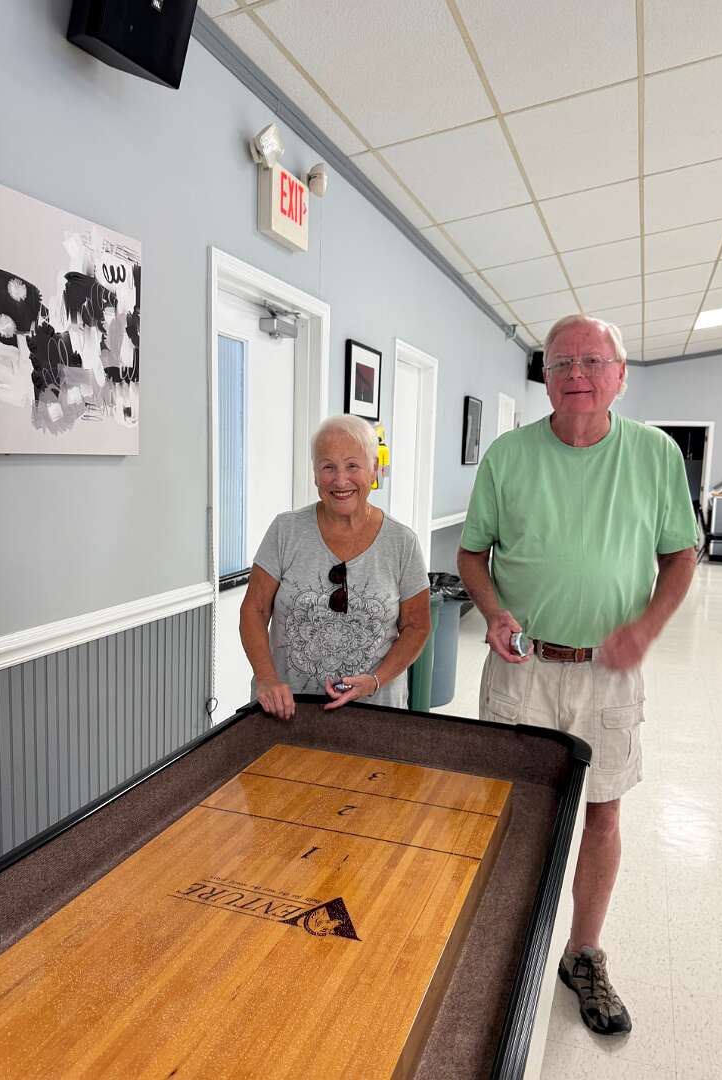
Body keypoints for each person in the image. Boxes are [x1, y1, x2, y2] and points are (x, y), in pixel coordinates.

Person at [457, 314, 697, 1036]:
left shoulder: (654, 456)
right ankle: (497, 942)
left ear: (621, 375)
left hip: (607, 673)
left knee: (603, 811)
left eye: (593, 361)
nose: (576, 375)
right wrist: (493, 611)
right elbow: (472, 553)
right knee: (508, 808)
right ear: (545, 378)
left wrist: (646, 628)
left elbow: (679, 554)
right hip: (522, 667)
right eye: (561, 363)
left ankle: (583, 953)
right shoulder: (508, 456)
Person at [240, 414, 431, 717]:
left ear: (374, 470)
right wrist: (266, 678)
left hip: (375, 714)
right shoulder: (285, 530)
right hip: (288, 712)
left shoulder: (402, 542)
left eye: (353, 466)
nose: (340, 481)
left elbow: (417, 626)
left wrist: (375, 681)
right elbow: (254, 610)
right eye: (328, 467)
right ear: (315, 475)